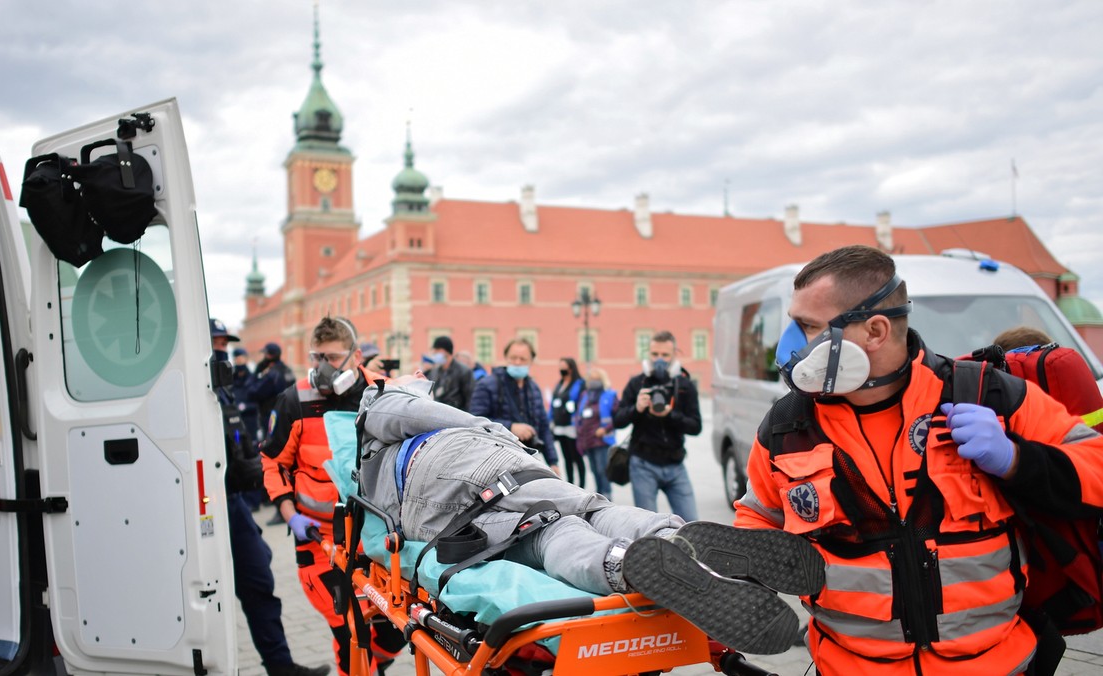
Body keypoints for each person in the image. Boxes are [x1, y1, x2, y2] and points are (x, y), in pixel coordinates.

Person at [735, 244, 1103, 674]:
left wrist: (1016, 460)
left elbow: (1095, 467)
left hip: (994, 665)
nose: (791, 344)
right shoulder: (786, 427)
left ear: (874, 332)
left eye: (809, 326)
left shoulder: (990, 395)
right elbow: (757, 519)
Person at [356, 375, 825, 656]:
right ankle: (675, 535)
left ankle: (622, 564)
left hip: (449, 480)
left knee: (545, 537)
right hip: (501, 460)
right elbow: (436, 414)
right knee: (593, 508)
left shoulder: (375, 424)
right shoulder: (386, 396)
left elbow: (393, 518)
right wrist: (503, 439)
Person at [261, 317, 405, 676]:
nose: (323, 367)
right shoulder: (295, 400)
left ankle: (372, 665)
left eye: (333, 357)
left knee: (398, 630)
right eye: (316, 357)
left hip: (375, 541)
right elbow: (273, 462)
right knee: (351, 631)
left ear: (356, 356)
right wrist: (289, 511)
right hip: (319, 542)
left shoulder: (383, 395)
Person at [210, 319, 330, 676]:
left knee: (259, 579)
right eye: (215, 344)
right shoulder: (191, 389)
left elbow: (240, 444)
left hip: (233, 502)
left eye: (223, 345)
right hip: (203, 504)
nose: (221, 351)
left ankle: (280, 667)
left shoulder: (223, 388)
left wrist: (261, 465)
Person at [613, 331, 701, 521]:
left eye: (665, 355)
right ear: (648, 354)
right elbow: (617, 421)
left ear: (674, 355)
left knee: (692, 524)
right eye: (655, 354)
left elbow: (696, 426)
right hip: (643, 464)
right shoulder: (637, 383)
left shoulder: (684, 385)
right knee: (649, 527)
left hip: (676, 464)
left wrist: (670, 414)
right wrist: (636, 408)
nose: (659, 360)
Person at [468, 337, 560, 474]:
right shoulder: (487, 384)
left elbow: (543, 426)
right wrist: (511, 427)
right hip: (497, 459)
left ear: (530, 362)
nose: (517, 362)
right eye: (513, 358)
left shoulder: (534, 388)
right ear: (506, 358)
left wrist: (553, 462)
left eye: (522, 359)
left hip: (529, 458)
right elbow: (476, 421)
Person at [574, 365, 617, 500]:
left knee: (603, 471)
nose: (593, 381)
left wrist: (605, 429)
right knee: (594, 471)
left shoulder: (610, 395)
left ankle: (608, 498)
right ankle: (600, 497)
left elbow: (618, 417)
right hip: (587, 440)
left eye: (596, 379)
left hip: (602, 441)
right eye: (591, 379)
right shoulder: (585, 395)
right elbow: (579, 415)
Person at [549, 357, 585, 487]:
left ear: (571, 368)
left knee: (577, 457)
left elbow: (581, 402)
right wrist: (550, 420)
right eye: (560, 367)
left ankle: (582, 485)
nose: (561, 370)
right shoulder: (559, 384)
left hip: (572, 426)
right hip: (560, 426)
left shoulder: (580, 383)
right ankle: (570, 484)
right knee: (567, 458)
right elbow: (553, 403)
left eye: (564, 367)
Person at [248, 341, 297, 436]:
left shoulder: (272, 375)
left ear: (270, 356)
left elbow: (252, 392)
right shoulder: (287, 370)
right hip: (288, 415)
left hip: (271, 417)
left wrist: (256, 373)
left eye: (265, 354)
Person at [427, 336, 475, 411]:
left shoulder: (464, 371)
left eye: (437, 350)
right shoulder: (434, 372)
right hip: (437, 416)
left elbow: (470, 399)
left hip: (457, 416)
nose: (434, 353)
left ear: (445, 351)